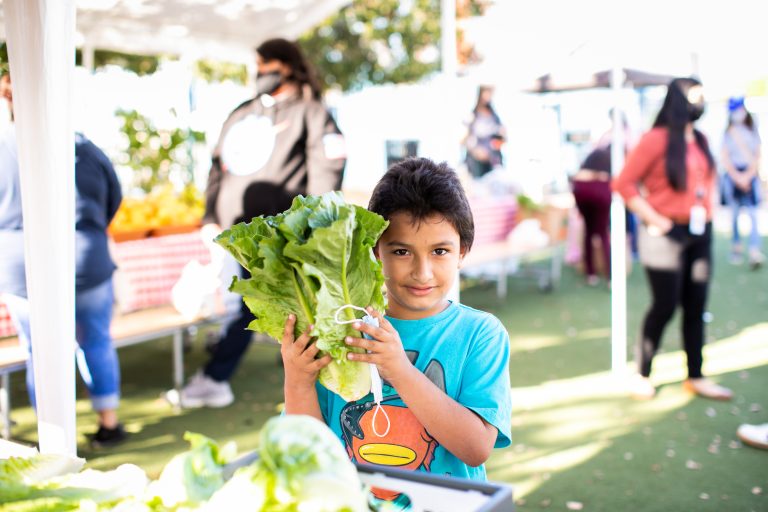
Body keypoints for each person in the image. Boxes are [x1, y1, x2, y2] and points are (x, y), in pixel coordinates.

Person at [281, 157, 512, 485]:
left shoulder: (480, 334)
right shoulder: (343, 328)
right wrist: (297, 382)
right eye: (401, 252)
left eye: (440, 251)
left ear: (463, 251)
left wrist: (400, 370)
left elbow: (476, 448)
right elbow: (308, 451)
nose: (422, 272)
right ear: (376, 251)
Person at [176, 38, 346, 408]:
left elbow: (326, 168)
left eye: (265, 65)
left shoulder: (312, 112)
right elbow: (217, 168)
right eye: (256, 66)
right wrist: (209, 217)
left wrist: (312, 228)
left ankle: (219, 377)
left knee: (265, 306)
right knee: (252, 307)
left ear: (285, 66)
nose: (259, 74)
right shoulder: (242, 112)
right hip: (236, 234)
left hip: (284, 237)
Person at [0, 72, 126, 446]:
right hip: (85, 255)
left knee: (40, 351)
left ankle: (51, 438)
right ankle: (109, 423)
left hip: (20, 262)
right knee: (97, 340)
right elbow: (114, 196)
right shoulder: (82, 145)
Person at [613, 77, 733, 401]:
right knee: (664, 306)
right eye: (697, 96)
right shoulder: (656, 139)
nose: (702, 102)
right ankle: (642, 373)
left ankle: (695, 375)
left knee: (696, 306)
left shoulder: (702, 139)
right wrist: (654, 219)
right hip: (665, 233)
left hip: (700, 232)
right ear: (679, 100)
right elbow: (623, 184)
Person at [720, 96, 764, 268]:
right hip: (733, 176)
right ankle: (736, 249)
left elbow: (757, 155)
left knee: (753, 215)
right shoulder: (728, 131)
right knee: (735, 215)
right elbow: (725, 156)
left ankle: (755, 250)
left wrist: (748, 175)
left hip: (749, 175)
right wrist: (737, 176)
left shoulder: (752, 129)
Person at [572, 144, 612, 285]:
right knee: (602, 234)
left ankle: (591, 273)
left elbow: (575, 189)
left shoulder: (582, 176)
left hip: (583, 195)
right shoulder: (605, 177)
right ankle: (610, 275)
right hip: (600, 197)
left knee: (589, 234)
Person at [462, 85, 506, 179]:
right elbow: (463, 140)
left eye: (490, 93)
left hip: (492, 163)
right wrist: (476, 151)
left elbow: (502, 138)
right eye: (486, 92)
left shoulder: (495, 117)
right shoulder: (473, 116)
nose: (488, 96)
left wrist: (499, 141)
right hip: (475, 165)